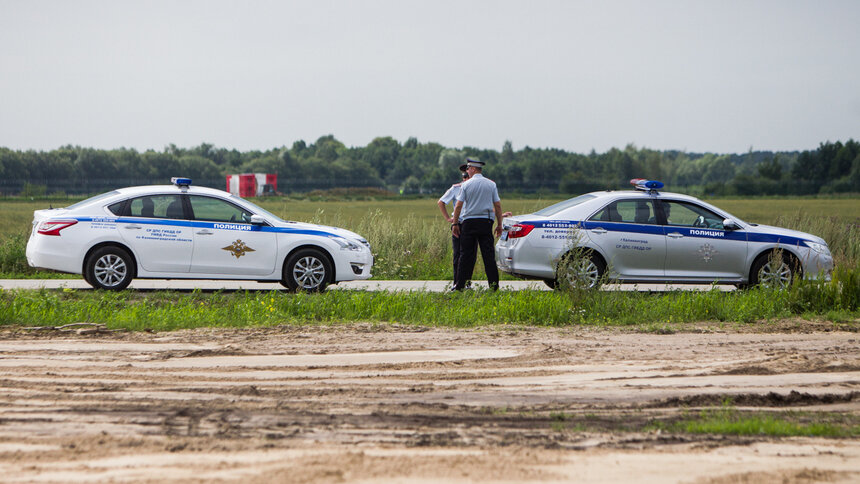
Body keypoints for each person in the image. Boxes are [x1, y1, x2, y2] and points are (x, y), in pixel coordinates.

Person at [451, 157, 503, 291]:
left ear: (473, 169)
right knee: (488, 255)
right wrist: (499, 224)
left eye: (468, 169)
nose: (467, 171)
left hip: (469, 222)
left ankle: (460, 285)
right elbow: (497, 205)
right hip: (486, 222)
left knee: (465, 255)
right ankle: (494, 285)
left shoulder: (466, 185)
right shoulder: (491, 184)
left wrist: (455, 224)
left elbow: (458, 206)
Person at [437, 164, 470, 286]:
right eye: (464, 176)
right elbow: (441, 202)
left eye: (468, 176)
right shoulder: (456, 188)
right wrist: (448, 218)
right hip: (459, 223)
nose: (466, 178)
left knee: (469, 254)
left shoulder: (476, 188)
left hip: (471, 223)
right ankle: (457, 282)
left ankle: (467, 282)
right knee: (458, 254)